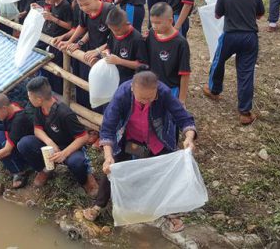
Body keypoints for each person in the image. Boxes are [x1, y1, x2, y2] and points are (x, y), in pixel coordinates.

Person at [84, 70, 197, 232]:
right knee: (112, 168)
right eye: (142, 98)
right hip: (130, 136)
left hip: (157, 137)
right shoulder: (122, 94)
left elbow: (183, 117)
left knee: (165, 172)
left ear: (156, 89)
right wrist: (108, 156)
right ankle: (99, 205)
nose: (147, 102)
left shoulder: (163, 92)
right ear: (132, 89)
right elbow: (108, 127)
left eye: (151, 98)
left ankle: (171, 213)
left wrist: (189, 137)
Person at [203, 0, 265, 126]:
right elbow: (259, 16)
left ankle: (214, 90)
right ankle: (244, 112)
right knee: (246, 72)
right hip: (250, 37)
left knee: (218, 61)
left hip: (230, 35)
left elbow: (217, 16)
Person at [17, 77, 98, 196]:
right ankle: (46, 169)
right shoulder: (40, 108)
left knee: (77, 162)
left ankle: (85, 180)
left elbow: (83, 137)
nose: (28, 99)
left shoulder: (64, 113)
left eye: (30, 96)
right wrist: (49, 142)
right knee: (24, 144)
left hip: (70, 147)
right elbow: (37, 129)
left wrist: (63, 153)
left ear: (39, 99)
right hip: (52, 145)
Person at [55, 0, 115, 108]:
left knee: (102, 89)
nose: (83, 8)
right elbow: (84, 27)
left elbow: (116, 38)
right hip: (89, 51)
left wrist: (98, 50)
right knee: (85, 81)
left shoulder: (110, 11)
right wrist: (73, 42)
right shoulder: (84, 12)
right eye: (80, 5)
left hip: (107, 55)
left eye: (86, 4)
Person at [146, 3, 191, 105]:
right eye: (152, 22)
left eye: (158, 23)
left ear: (170, 21)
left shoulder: (180, 43)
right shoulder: (152, 33)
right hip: (151, 85)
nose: (154, 26)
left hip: (170, 88)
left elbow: (185, 73)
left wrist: (182, 100)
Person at [36, 0, 73, 94]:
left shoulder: (65, 6)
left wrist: (53, 19)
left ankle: (60, 91)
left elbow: (70, 25)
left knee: (58, 66)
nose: (47, 2)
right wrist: (41, 8)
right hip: (51, 36)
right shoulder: (54, 4)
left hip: (60, 39)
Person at [100, 7, 147, 84]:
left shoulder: (137, 39)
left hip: (129, 82)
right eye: (112, 29)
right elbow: (109, 48)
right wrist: (105, 55)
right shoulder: (114, 33)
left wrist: (120, 61)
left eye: (117, 30)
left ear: (127, 24)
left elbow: (142, 65)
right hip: (114, 78)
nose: (115, 32)